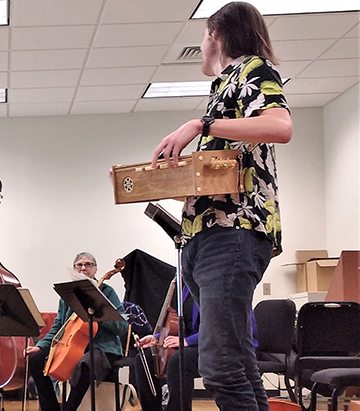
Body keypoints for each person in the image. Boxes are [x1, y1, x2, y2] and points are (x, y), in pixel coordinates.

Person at [149, 2, 293, 410]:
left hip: (233, 233)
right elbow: (229, 172)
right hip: (207, 235)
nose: (201, 44)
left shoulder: (254, 70)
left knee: (219, 366)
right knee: (240, 364)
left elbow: (281, 126)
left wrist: (200, 125)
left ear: (217, 35)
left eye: (203, 35)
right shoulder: (223, 87)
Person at [26, 252, 128, 411]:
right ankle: (50, 407)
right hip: (72, 345)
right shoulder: (68, 295)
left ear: (95, 270)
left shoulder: (107, 292)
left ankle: (69, 408)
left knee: (86, 363)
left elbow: (122, 327)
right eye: (79, 265)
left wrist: (98, 311)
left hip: (102, 348)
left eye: (88, 264)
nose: (83, 268)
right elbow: (58, 326)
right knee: (36, 359)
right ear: (74, 269)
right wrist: (41, 346)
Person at [132, 285, 199, 411]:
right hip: (190, 343)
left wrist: (187, 341)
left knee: (179, 360)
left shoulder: (212, 285)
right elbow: (181, 325)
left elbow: (218, 329)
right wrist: (157, 338)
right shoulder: (186, 288)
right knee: (143, 358)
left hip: (213, 344)